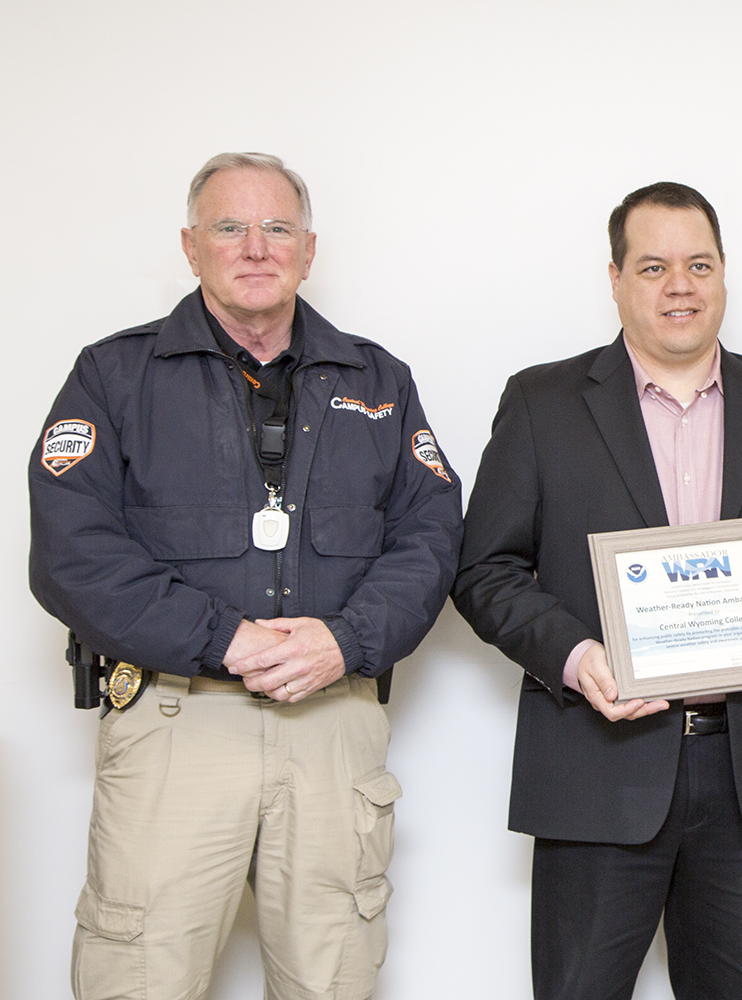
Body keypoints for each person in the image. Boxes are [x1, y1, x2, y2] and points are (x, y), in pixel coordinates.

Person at [30, 152, 464, 1000]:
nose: (256, 247)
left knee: (332, 977)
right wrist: (221, 638)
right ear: (191, 247)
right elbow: (72, 551)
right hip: (175, 720)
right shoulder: (114, 376)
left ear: (310, 248)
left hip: (332, 724)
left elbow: (430, 537)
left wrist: (346, 641)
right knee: (138, 975)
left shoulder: (379, 381)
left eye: (278, 228)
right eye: (230, 227)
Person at [451, 181, 742, 1000]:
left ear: (723, 276)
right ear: (614, 278)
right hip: (596, 764)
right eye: (653, 266)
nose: (680, 284)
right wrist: (575, 657)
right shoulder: (542, 402)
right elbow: (484, 569)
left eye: (698, 264)